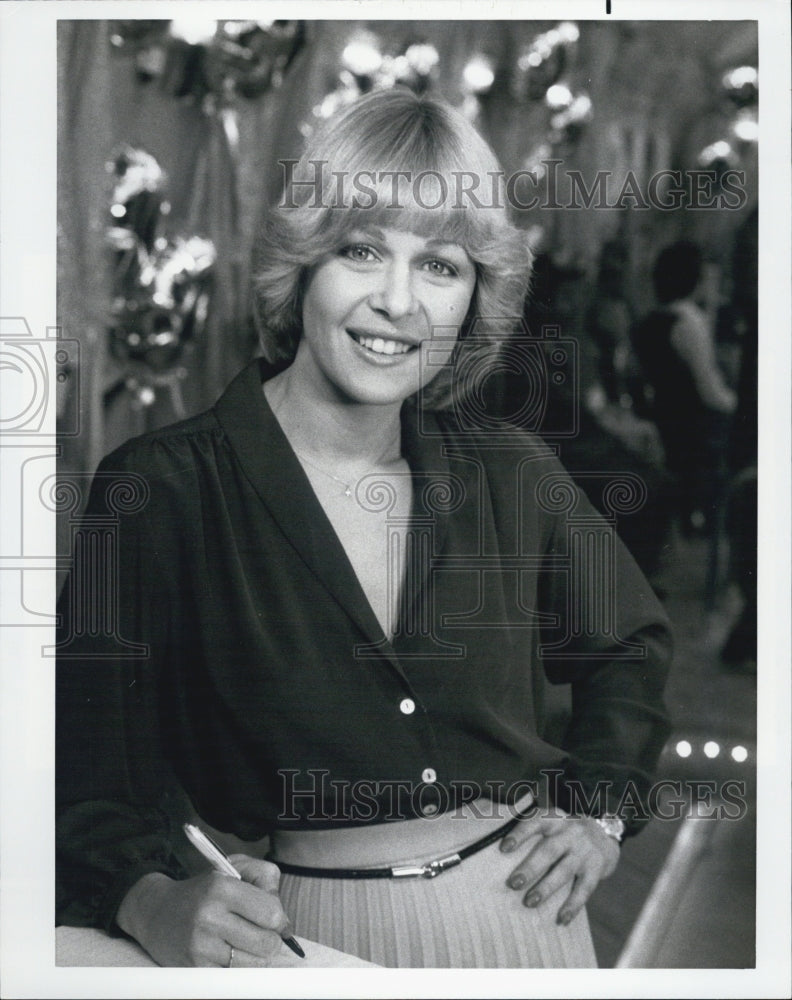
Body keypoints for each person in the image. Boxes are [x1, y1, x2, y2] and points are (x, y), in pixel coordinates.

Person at [56, 89, 672, 969]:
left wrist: (602, 809)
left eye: (441, 266)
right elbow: (84, 772)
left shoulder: (512, 469)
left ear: (474, 296)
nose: (397, 301)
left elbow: (631, 646)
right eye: (362, 250)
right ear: (304, 263)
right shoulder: (161, 490)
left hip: (533, 933)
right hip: (303, 944)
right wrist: (148, 898)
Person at [632, 240, 737, 535]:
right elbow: (710, 392)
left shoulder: (650, 321)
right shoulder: (689, 320)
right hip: (695, 430)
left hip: (665, 422)